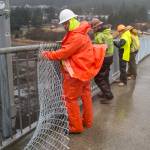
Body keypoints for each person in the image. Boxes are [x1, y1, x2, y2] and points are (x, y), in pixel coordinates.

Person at [40, 9, 106, 133]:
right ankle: (87, 121)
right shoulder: (82, 33)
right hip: (85, 71)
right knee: (86, 95)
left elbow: (64, 53)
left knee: (70, 99)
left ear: (70, 21)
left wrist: (47, 54)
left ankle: (76, 127)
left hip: (76, 73)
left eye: (65, 23)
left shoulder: (75, 36)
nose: (64, 26)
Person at [91, 18, 114, 104]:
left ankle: (108, 95)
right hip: (110, 57)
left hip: (104, 58)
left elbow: (99, 49)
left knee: (98, 78)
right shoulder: (108, 32)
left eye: (94, 28)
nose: (93, 30)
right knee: (105, 76)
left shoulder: (99, 36)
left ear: (97, 27)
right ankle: (106, 93)